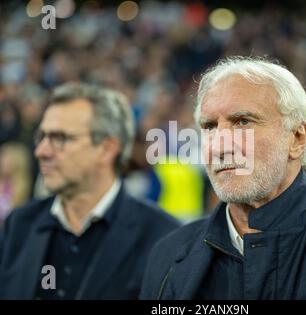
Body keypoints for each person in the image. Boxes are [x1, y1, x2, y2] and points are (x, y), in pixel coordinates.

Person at [139, 56, 306, 300]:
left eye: (242, 122)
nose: (220, 146)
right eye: (209, 127)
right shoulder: (168, 256)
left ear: (297, 138)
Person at [0, 83, 180, 299]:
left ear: (106, 149)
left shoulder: (163, 239)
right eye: (42, 137)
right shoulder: (20, 224)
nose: (41, 151)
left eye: (60, 138)